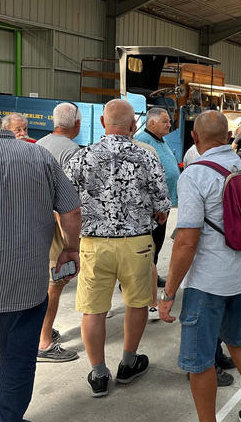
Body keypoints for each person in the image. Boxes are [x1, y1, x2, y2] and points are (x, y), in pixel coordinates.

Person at [158, 111, 241, 422]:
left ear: (195, 138)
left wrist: (168, 293)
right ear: (228, 136)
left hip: (208, 282)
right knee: (237, 339)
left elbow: (186, 241)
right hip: (240, 277)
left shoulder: (195, 175)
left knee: (198, 359)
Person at [66, 99, 171, 398]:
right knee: (136, 303)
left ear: (102, 122)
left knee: (93, 310)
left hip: (94, 244)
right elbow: (162, 205)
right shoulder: (147, 156)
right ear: (134, 125)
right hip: (136, 243)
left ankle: (99, 374)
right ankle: (128, 363)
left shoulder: (81, 156)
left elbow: (67, 203)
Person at [0, 112, 81, 422]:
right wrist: (71, 248)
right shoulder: (36, 155)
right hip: (22, 281)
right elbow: (71, 210)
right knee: (16, 359)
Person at [35, 102, 83, 361]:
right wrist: (69, 241)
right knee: (56, 283)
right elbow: (71, 201)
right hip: (58, 224)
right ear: (77, 123)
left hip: (38, 222)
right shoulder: (73, 151)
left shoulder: (38, 144)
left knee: (45, 282)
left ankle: (41, 329)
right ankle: (44, 342)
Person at [134, 107, 180, 293]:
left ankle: (150, 274)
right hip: (151, 205)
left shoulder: (161, 140)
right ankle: (138, 278)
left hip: (163, 203)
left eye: (169, 121)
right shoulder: (142, 141)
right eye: (165, 121)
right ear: (152, 122)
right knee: (148, 243)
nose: (169, 125)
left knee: (158, 241)